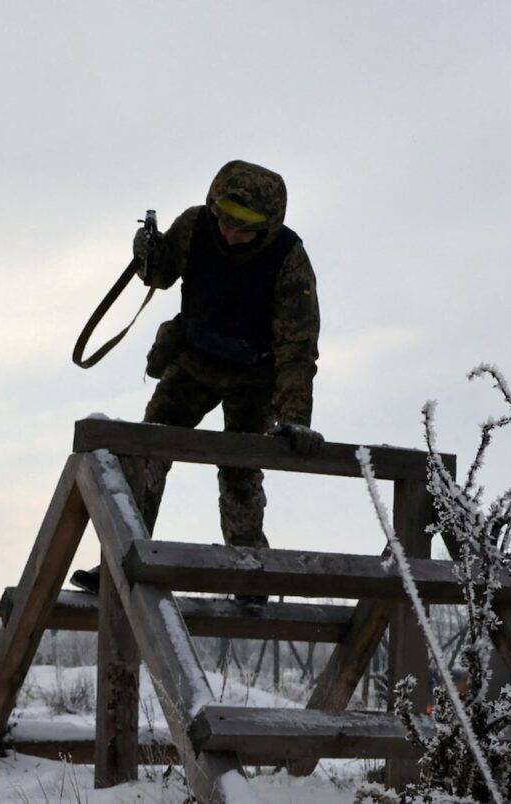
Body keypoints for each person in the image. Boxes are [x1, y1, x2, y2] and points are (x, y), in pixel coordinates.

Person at [70, 160, 323, 602]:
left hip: (255, 377)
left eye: (242, 228)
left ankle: (248, 573)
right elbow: (160, 274)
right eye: (224, 219)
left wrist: (295, 417)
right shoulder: (195, 225)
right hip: (194, 361)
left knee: (240, 469)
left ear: (268, 225)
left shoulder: (289, 259)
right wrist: (147, 250)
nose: (228, 234)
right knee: (147, 451)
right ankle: (123, 554)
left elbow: (297, 347)